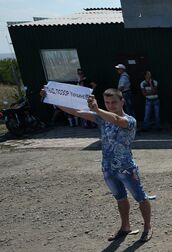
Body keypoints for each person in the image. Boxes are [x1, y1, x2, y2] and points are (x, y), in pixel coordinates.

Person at [41, 87, 154, 243]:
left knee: (141, 197)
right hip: (108, 168)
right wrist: (52, 98)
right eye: (107, 102)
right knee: (120, 198)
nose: (110, 105)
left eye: (114, 102)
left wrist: (98, 109)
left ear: (122, 101)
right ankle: (125, 227)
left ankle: (147, 227)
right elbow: (76, 112)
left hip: (126, 168)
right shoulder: (101, 117)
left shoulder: (130, 120)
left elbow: (116, 120)